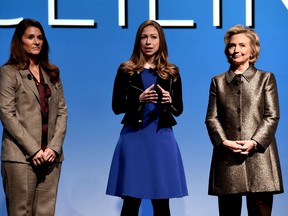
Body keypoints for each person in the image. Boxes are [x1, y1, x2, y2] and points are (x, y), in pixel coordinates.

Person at [106, 20, 188, 215]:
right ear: (138, 41)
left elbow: (179, 109)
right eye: (144, 37)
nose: (148, 42)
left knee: (161, 202)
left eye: (153, 37)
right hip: (134, 137)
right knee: (131, 201)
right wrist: (138, 100)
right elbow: (116, 107)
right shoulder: (126, 70)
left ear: (161, 41)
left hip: (161, 138)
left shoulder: (171, 72)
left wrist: (169, 102)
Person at [205, 24, 283, 216]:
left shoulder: (266, 78)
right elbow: (211, 118)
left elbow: (272, 115)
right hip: (227, 158)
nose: (236, 50)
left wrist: (254, 142)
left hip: (260, 159)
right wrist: (224, 142)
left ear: (252, 50)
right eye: (232, 46)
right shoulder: (218, 81)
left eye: (241, 45)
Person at [0, 18, 68, 216]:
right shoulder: (9, 73)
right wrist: (34, 150)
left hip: (50, 158)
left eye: (40, 38)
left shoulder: (52, 73)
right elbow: (6, 113)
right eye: (30, 37)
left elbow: (63, 112)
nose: (36, 42)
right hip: (20, 158)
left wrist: (54, 148)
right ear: (20, 42)